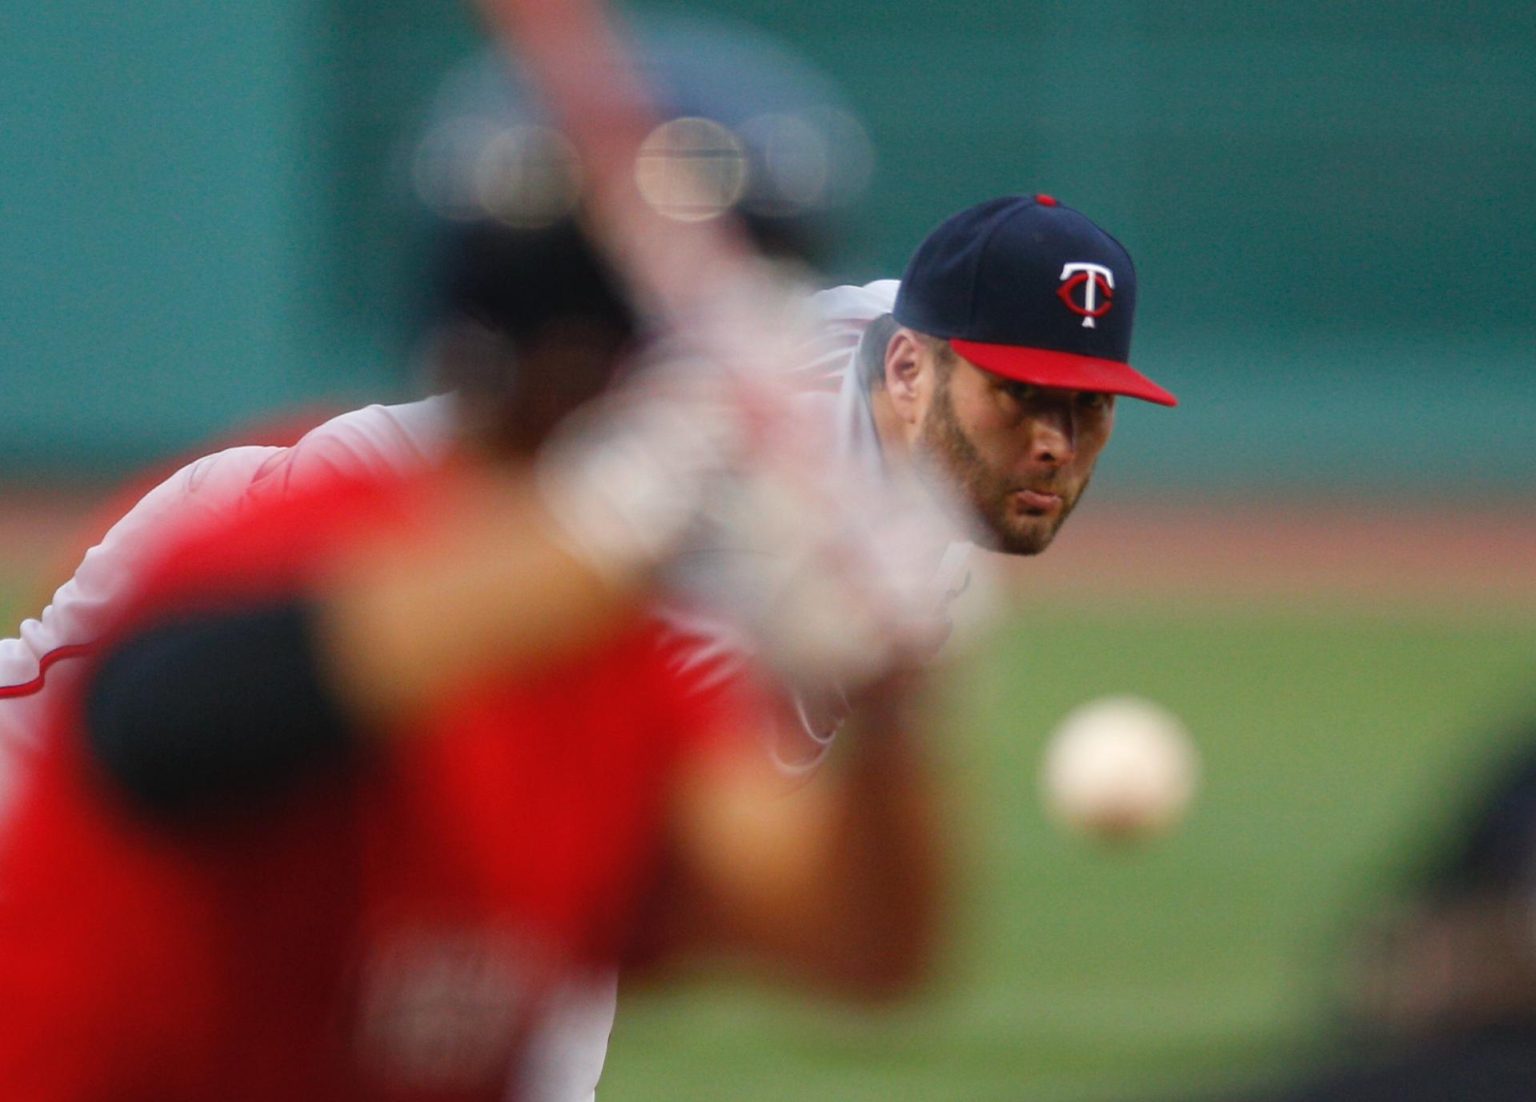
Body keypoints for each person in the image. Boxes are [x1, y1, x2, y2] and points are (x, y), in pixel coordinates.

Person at [0, 112, 952, 1094]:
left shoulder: (627, 681)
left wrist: (887, 705)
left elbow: (860, 953)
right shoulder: (291, 525)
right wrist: (615, 531)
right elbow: (157, 721)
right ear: (587, 375)